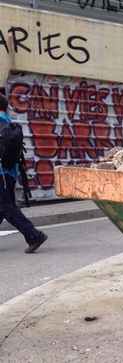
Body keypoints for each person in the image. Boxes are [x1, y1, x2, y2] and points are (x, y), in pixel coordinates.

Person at [0, 94, 48, 253]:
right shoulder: (7, 121)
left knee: (6, 207)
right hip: (10, 173)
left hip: (1, 174)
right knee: (4, 206)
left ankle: (34, 235)